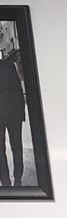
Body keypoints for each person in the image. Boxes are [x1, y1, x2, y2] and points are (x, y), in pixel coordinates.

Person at [0, 26, 25, 188]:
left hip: (12, 114)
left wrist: (21, 114)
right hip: (12, 114)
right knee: (10, 148)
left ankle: (16, 180)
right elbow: (18, 90)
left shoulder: (8, 66)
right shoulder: (8, 66)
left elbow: (17, 90)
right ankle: (8, 181)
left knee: (15, 147)